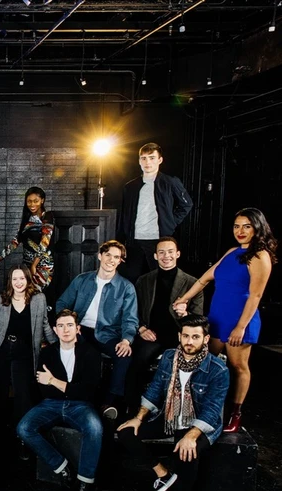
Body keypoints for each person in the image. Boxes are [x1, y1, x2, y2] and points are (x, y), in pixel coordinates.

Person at [116, 315, 229, 491]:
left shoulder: (218, 369)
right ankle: (164, 475)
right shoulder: (169, 357)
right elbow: (155, 389)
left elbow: (212, 409)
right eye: (186, 336)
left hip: (200, 423)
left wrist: (191, 435)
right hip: (170, 416)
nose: (189, 341)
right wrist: (139, 417)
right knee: (126, 433)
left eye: (195, 337)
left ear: (206, 339)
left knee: (187, 451)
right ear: (179, 336)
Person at [173, 208, 276, 432]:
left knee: (238, 367)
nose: (240, 231)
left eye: (247, 226)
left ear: (257, 228)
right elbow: (204, 279)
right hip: (217, 317)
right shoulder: (232, 252)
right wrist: (184, 298)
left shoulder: (260, 256)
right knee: (205, 362)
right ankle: (201, 410)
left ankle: (235, 415)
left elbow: (256, 295)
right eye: (237, 226)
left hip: (240, 319)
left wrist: (240, 327)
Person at [16, 309, 103, 491]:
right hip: (52, 403)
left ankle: (84, 484)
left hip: (80, 405)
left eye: (70, 325)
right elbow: (43, 388)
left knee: (95, 428)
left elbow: (88, 391)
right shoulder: (47, 353)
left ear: (78, 328)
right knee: (24, 428)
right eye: (61, 326)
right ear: (55, 330)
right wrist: (66, 387)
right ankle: (62, 468)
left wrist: (54, 381)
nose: (65, 330)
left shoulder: (90, 353)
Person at [56, 240, 138, 418]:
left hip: (108, 333)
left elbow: (130, 319)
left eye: (116, 257)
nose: (111, 260)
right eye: (108, 255)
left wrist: (126, 340)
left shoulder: (126, 287)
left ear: (120, 261)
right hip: (81, 330)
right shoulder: (82, 279)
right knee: (80, 354)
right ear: (100, 256)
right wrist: (70, 325)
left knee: (125, 356)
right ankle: (72, 399)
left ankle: (109, 403)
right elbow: (62, 303)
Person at [125, 237, 203, 417]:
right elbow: (132, 311)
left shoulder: (192, 283)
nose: (166, 256)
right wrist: (142, 329)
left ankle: (176, 412)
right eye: (161, 252)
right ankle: (132, 408)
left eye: (170, 252)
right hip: (151, 334)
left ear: (178, 254)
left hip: (179, 336)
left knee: (181, 366)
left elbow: (199, 320)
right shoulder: (144, 280)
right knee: (136, 361)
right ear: (155, 256)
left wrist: (185, 314)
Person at [0, 266, 56, 439]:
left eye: (22, 278)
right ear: (10, 281)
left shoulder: (38, 299)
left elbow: (45, 325)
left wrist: (59, 346)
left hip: (24, 352)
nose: (18, 282)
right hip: (2, 349)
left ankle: (22, 436)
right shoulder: (1, 300)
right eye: (14, 279)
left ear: (28, 279)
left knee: (22, 394)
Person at [118, 143, 193, 283]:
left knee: (158, 280)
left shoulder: (170, 182)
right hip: (134, 241)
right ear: (139, 161)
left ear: (160, 160)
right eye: (144, 158)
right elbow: (123, 216)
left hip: (158, 240)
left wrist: (170, 222)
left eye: (152, 158)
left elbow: (186, 204)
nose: (147, 162)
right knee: (132, 279)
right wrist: (120, 242)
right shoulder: (130, 186)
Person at [0, 186, 54, 291]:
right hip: (27, 264)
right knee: (23, 293)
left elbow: (44, 242)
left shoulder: (47, 216)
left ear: (42, 200)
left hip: (42, 265)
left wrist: (34, 265)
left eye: (36, 201)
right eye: (29, 201)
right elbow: (15, 241)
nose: (32, 204)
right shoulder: (27, 220)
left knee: (34, 292)